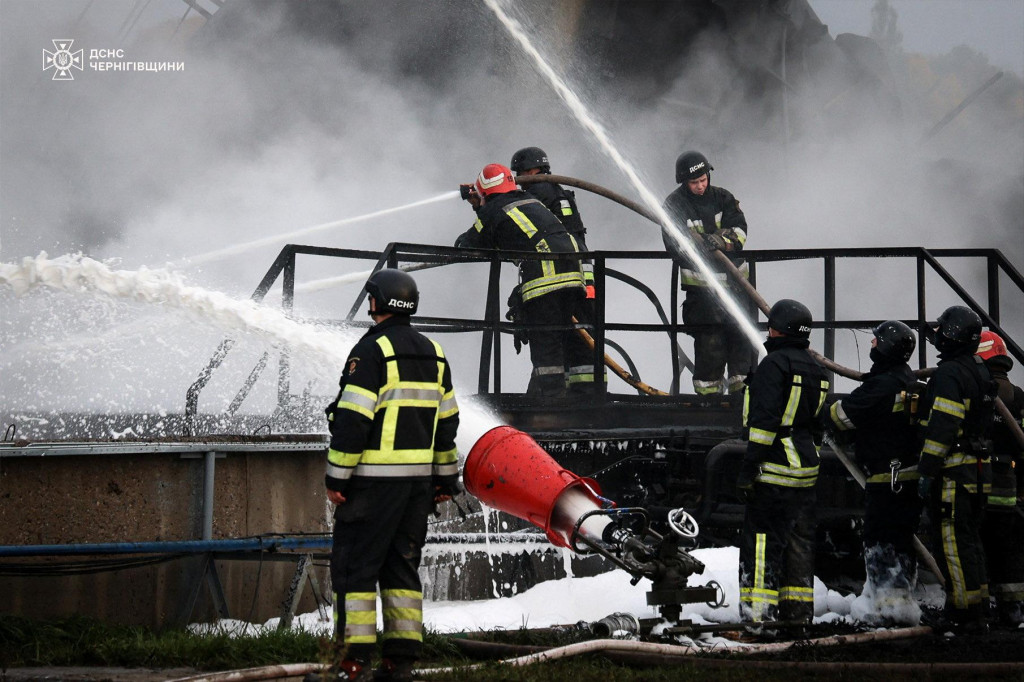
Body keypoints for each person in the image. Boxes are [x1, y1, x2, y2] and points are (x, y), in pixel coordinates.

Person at [320, 268, 460, 682]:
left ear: (378, 301)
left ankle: (351, 665)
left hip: (371, 486)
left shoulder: (372, 351)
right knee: (402, 572)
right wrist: (444, 480)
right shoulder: (434, 352)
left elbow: (352, 420)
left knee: (354, 572)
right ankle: (400, 665)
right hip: (417, 488)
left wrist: (337, 478)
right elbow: (448, 422)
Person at [456, 163, 594, 398]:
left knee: (546, 341)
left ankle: (551, 401)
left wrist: (479, 207)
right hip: (574, 274)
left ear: (485, 193)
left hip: (545, 279)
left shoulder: (491, 211)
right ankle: (586, 395)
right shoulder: (529, 200)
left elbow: (466, 245)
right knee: (572, 338)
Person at [737, 299, 830, 632]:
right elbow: (818, 427)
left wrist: (749, 470)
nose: (768, 330)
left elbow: (763, 426)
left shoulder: (773, 365)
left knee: (762, 544)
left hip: (775, 471)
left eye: (771, 325)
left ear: (780, 329)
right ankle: (797, 617)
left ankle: (758, 620)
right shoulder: (818, 369)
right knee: (799, 544)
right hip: (806, 472)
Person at [826, 321, 923, 625]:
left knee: (879, 540)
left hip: (885, 480)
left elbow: (842, 417)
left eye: (875, 341)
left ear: (885, 347)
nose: (871, 345)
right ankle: (903, 603)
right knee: (902, 541)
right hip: (908, 478)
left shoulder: (880, 386)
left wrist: (824, 411)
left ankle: (888, 610)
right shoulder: (909, 382)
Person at [917, 305, 996, 633]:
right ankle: (977, 607)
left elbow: (943, 426)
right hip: (978, 470)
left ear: (952, 336)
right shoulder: (978, 368)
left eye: (942, 332)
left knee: (950, 541)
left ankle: (960, 613)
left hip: (954, 472)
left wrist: (927, 469)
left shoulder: (949, 374)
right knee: (969, 540)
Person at [663, 150, 751, 397]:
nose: (701, 186)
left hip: (737, 289)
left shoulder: (724, 198)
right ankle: (709, 402)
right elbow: (675, 246)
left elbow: (740, 233)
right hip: (702, 294)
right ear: (683, 181)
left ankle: (742, 398)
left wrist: (720, 241)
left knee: (742, 343)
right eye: (694, 183)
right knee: (710, 347)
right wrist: (702, 247)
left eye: (703, 180)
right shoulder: (674, 205)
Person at [976, 330, 1024, 626]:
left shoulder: (975, 390)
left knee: (975, 543)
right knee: (1008, 545)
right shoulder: (1019, 396)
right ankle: (1012, 608)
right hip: (1008, 483)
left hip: (976, 479)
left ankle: (980, 606)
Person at [510, 146, 595, 298]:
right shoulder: (557, 190)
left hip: (563, 268)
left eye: (519, 172)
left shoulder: (539, 191)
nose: (518, 179)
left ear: (530, 170)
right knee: (586, 314)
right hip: (582, 265)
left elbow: (512, 218)